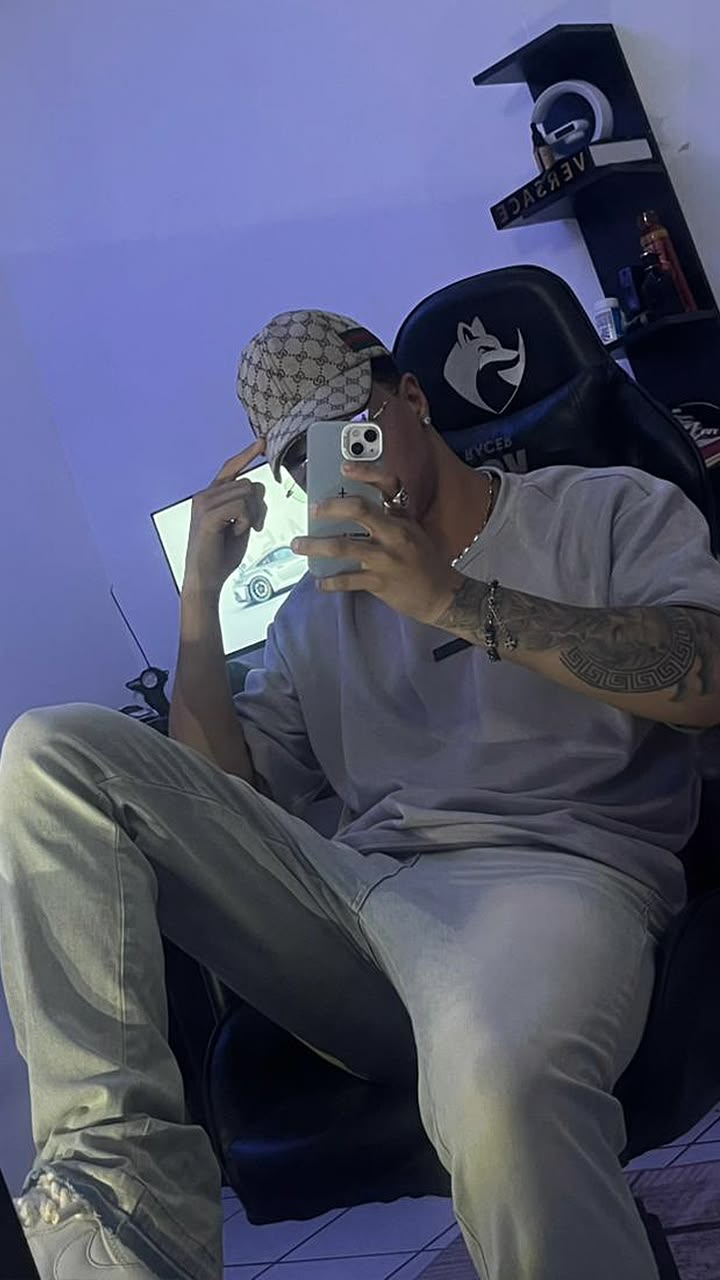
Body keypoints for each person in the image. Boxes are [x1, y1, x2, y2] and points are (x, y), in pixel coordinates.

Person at [1, 308, 719, 1280]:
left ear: (414, 398)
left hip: (556, 877)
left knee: (500, 1085)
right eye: (306, 459)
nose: (342, 467)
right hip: (358, 903)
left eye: (355, 429)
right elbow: (218, 804)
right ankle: (116, 1210)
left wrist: (452, 600)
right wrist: (200, 603)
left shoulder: (601, 509)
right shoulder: (313, 614)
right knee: (52, 752)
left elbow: (707, 673)